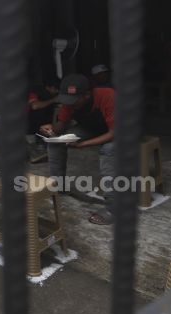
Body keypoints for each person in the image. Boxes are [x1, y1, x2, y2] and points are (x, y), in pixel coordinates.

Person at [39, 74, 115, 225]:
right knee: (55, 143)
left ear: (87, 94)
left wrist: (84, 144)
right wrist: (51, 130)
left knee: (108, 150)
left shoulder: (109, 96)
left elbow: (114, 133)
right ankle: (58, 187)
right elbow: (60, 126)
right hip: (94, 128)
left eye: (74, 101)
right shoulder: (70, 101)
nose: (69, 104)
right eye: (67, 100)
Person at [27, 77, 60, 161]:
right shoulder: (35, 91)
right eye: (56, 89)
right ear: (51, 87)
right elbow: (35, 106)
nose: (57, 92)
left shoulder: (50, 95)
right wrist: (53, 100)